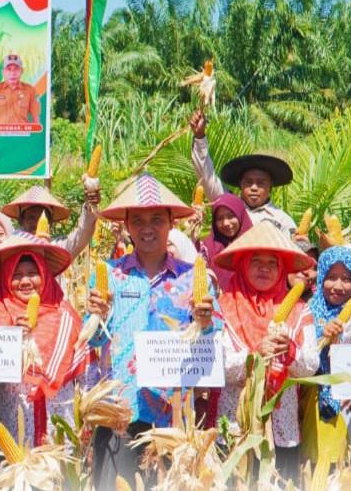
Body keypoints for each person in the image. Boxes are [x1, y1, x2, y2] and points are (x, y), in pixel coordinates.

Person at [87, 174, 219, 488]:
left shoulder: (192, 277)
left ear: (172, 222)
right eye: (138, 221)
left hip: (173, 416)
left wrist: (204, 322)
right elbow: (92, 339)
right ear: (126, 226)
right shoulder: (110, 274)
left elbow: (213, 340)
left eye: (157, 220)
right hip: (120, 411)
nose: (147, 228)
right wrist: (98, 316)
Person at [213, 222, 318, 476]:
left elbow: (311, 366)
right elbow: (217, 369)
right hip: (234, 428)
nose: (264, 268)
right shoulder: (222, 309)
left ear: (282, 269)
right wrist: (255, 356)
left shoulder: (299, 310)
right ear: (242, 265)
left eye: (273, 263)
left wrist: (291, 352)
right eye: (255, 261)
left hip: (282, 431)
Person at [0, 231, 101, 447]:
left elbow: (87, 375)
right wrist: (10, 339)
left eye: (32, 273)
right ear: (6, 277)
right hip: (12, 430)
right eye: (16, 275)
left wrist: (89, 422)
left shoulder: (67, 317)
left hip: (60, 429)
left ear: (45, 275)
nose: (25, 281)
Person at [300, 246, 351, 465]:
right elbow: (303, 359)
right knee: (321, 466)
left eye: (346, 279)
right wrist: (323, 337)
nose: (338, 286)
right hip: (318, 401)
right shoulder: (308, 310)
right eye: (331, 277)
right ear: (321, 279)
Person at [190, 112, 297, 235]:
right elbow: (207, 176)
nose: (254, 188)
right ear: (240, 184)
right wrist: (199, 137)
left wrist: (302, 242)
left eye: (261, 183)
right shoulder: (228, 204)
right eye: (248, 182)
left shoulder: (282, 220)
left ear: (270, 186)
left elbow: (295, 245)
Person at [0, 184, 100, 258]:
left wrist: (90, 204)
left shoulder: (57, 248)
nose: (36, 223)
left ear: (50, 222)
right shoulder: (10, 246)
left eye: (42, 219)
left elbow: (81, 236)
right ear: (21, 220)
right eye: (31, 218)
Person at [199, 194, 253, 289]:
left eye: (231, 216)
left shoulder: (256, 245)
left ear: (240, 214)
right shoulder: (208, 247)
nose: (225, 223)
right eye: (219, 218)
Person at [0, 53, 40, 125]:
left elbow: (36, 120)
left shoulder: (30, 91)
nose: (12, 73)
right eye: (9, 69)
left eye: (16, 69)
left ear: (21, 71)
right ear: (3, 72)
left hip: (22, 132)